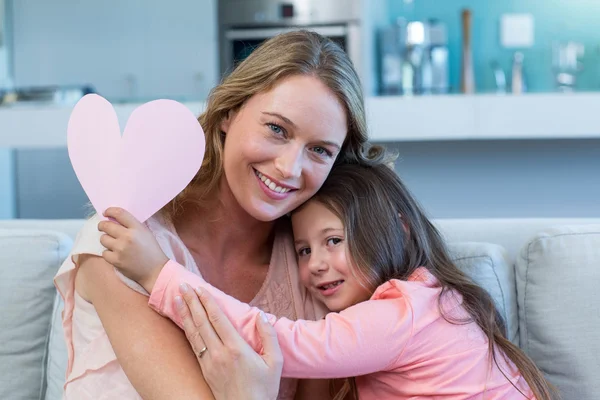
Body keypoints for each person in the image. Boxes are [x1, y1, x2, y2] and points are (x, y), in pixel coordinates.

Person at [53, 30, 381, 400]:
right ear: (228, 113)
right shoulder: (121, 240)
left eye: (320, 150)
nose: (290, 168)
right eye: (276, 129)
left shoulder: (316, 266)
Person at [99, 162, 556, 400]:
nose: (316, 264)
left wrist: (158, 274)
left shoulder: (403, 313)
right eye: (303, 250)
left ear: (398, 230)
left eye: (332, 240)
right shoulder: (434, 297)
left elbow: (280, 341)